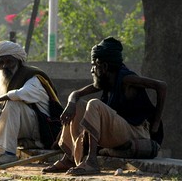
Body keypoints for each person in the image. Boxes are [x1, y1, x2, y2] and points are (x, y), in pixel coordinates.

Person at [42, 37, 166, 176]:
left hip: (136, 132)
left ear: (104, 66)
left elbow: (161, 86)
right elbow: (76, 94)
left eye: (94, 65)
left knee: (94, 104)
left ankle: (92, 161)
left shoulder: (127, 79)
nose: (91, 70)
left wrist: (155, 122)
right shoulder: (107, 80)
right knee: (78, 106)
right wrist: (71, 104)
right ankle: (70, 158)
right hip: (118, 132)